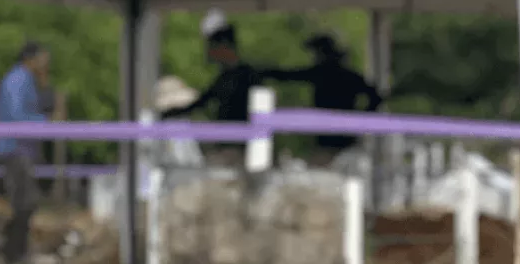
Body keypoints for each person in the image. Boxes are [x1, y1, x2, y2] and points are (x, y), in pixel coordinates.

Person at [258, 33, 383, 167]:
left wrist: (360, 119)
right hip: (341, 137)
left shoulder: (324, 73)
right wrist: (361, 119)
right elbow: (375, 96)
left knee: (324, 170)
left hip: (332, 140)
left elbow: (288, 75)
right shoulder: (349, 76)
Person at [158, 19, 265, 168]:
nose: (209, 52)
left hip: (241, 148)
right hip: (228, 144)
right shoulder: (225, 78)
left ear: (224, 46)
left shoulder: (245, 76)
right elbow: (201, 102)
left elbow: (202, 102)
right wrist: (169, 113)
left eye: (212, 47)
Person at [0, 41, 51, 264]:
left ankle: (15, 252)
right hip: (16, 149)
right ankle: (13, 254)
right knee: (24, 202)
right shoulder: (18, 80)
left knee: (25, 202)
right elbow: (18, 115)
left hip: (21, 149)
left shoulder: (26, 80)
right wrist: (47, 123)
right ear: (31, 58)